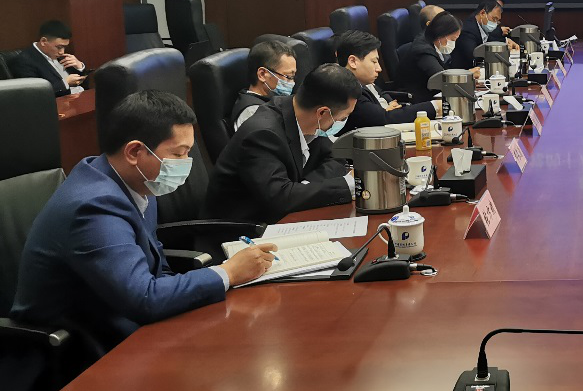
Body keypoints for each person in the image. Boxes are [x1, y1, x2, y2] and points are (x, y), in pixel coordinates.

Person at [11, 91, 277, 351]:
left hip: (123, 321)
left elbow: (157, 269)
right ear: (134, 151)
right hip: (77, 350)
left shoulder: (136, 183)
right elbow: (144, 299)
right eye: (178, 154)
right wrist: (228, 273)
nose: (187, 163)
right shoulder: (94, 208)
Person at [203, 63, 360, 224]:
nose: (342, 122)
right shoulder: (262, 135)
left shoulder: (306, 117)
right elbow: (280, 199)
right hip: (242, 227)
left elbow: (335, 157)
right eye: (343, 117)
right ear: (322, 112)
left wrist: (303, 188)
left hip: (282, 216)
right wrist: (347, 185)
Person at [336, 30, 435, 132]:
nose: (379, 68)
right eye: (374, 61)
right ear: (353, 61)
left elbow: (382, 94)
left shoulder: (362, 82)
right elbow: (383, 119)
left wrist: (388, 104)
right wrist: (434, 107)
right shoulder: (347, 91)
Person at [396, 11, 479, 100]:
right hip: (417, 97)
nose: (453, 43)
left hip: (431, 93)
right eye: (452, 40)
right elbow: (441, 80)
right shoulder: (423, 52)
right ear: (441, 34)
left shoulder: (432, 39)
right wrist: (466, 76)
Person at [232, 38, 297, 131]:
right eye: (288, 76)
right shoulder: (252, 113)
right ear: (262, 74)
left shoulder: (273, 101)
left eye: (293, 77)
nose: (292, 83)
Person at [12, 19, 88, 97]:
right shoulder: (25, 60)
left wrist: (80, 67)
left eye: (64, 47)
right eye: (59, 47)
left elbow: (85, 85)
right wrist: (65, 83)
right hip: (61, 101)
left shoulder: (61, 56)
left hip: (81, 95)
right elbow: (34, 93)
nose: (62, 52)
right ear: (43, 41)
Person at [452, 0, 520, 70]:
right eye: (494, 19)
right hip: (464, 71)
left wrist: (505, 42)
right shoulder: (468, 29)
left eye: (497, 20)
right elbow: (474, 55)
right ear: (482, 13)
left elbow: (488, 39)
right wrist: (499, 50)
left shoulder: (481, 25)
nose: (495, 23)